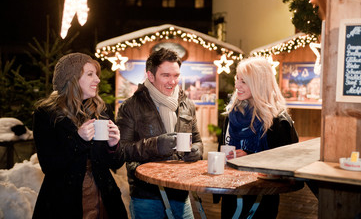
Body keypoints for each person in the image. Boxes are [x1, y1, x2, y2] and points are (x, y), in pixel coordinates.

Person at [32, 53, 176, 219]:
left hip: (103, 196)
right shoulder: (46, 114)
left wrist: (114, 145)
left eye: (96, 74)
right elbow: (49, 166)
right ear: (72, 78)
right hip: (64, 201)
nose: (98, 80)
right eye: (90, 74)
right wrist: (78, 140)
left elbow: (115, 163)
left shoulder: (101, 110)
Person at [116, 48, 203, 219]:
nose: (172, 81)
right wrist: (155, 145)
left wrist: (197, 151)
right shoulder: (130, 106)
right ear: (150, 75)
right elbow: (121, 151)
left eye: (176, 75)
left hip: (181, 193)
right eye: (166, 75)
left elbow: (198, 141)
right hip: (147, 196)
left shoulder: (187, 104)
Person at [218, 57, 299, 219]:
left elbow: (288, 166)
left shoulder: (278, 121)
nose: (237, 86)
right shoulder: (232, 115)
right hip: (230, 193)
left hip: (262, 198)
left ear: (259, 84)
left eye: (244, 82)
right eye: (237, 79)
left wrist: (250, 157)